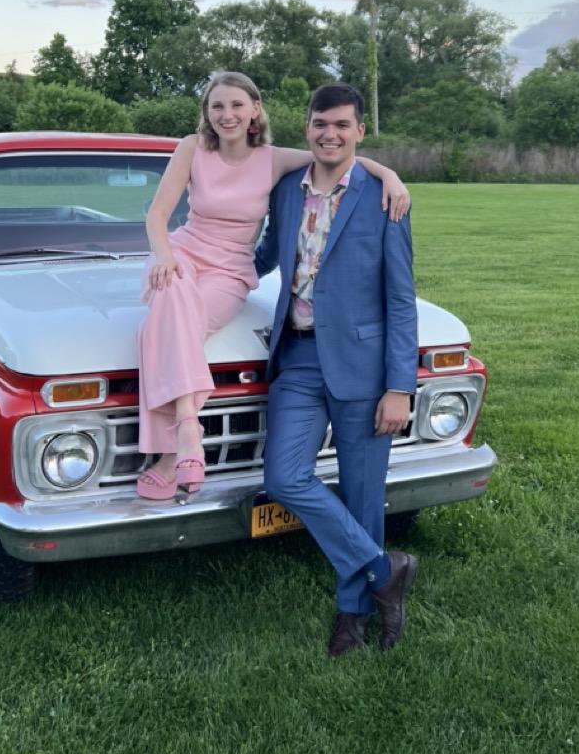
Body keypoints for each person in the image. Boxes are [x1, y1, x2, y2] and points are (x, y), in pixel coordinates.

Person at [136, 70, 410, 501]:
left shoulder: (273, 159)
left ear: (255, 110)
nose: (227, 115)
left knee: (162, 326)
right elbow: (157, 216)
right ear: (206, 113)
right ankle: (186, 431)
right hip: (182, 256)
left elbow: (335, 156)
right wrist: (165, 256)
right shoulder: (191, 148)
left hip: (229, 270)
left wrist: (388, 173)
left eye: (236, 105)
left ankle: (170, 451)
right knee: (167, 306)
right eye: (217, 106)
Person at [253, 82, 419, 653]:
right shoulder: (285, 190)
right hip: (297, 358)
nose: (331, 134)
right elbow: (261, 256)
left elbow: (401, 299)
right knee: (284, 476)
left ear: (359, 132)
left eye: (343, 125)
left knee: (362, 493)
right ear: (308, 126)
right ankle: (383, 570)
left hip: (364, 367)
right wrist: (193, 267)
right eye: (321, 123)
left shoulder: (382, 195)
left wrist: (400, 386)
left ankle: (353, 613)